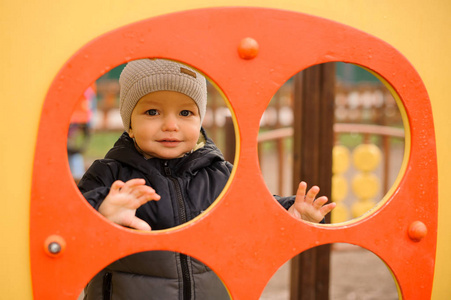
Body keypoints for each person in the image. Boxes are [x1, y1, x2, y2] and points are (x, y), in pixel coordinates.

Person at [78, 58, 336, 300]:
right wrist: (102, 208)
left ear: (200, 120)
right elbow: (69, 220)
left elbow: (256, 211)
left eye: (185, 113)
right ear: (129, 125)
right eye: (153, 112)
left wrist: (290, 213)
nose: (171, 125)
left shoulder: (220, 174)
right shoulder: (110, 175)